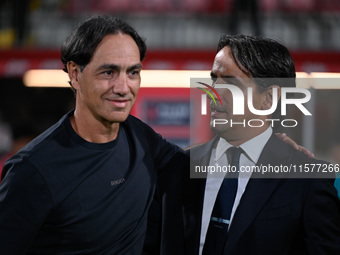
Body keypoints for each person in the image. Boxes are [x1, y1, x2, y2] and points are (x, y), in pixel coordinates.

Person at [0, 15, 185, 254]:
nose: (122, 88)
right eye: (108, 72)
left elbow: (189, 163)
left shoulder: (139, 136)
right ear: (75, 74)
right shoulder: (32, 170)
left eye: (133, 72)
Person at [143, 35, 340, 255]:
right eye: (214, 79)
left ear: (269, 98)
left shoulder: (308, 180)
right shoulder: (176, 169)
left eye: (230, 82)